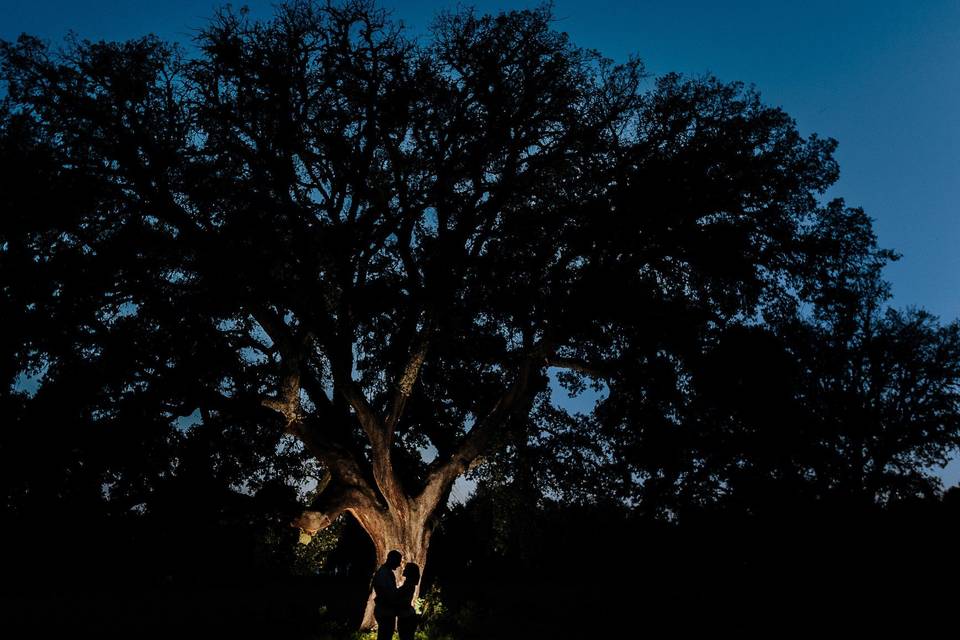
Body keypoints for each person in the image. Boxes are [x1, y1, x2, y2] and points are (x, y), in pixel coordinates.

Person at [373, 550, 403, 640]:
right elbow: (383, 593)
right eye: (398, 561)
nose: (399, 565)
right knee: (384, 636)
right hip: (384, 611)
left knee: (386, 635)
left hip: (387, 610)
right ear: (392, 559)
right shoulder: (383, 573)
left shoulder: (387, 573)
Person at [395, 562, 421, 640]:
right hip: (407, 615)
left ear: (410, 572)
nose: (404, 569)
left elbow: (403, 600)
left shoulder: (408, 585)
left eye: (406, 568)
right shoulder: (408, 584)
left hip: (406, 616)